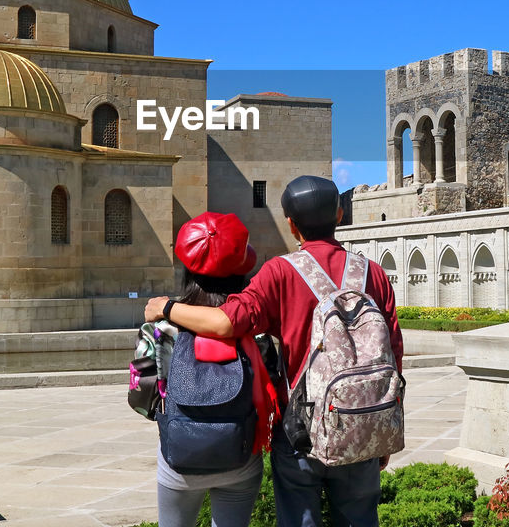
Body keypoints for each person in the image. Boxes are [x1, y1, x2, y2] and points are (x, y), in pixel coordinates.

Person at [147, 176, 404, 527]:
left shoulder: (280, 272)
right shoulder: (373, 274)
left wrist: (166, 308)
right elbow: (394, 353)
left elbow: (226, 323)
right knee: (360, 517)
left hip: (301, 431)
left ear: (290, 224)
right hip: (362, 420)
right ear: (341, 215)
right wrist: (385, 426)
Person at [155, 212, 279, 527]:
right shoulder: (254, 328)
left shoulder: (159, 327)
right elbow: (272, 388)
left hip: (179, 459)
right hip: (240, 458)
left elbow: (141, 398)